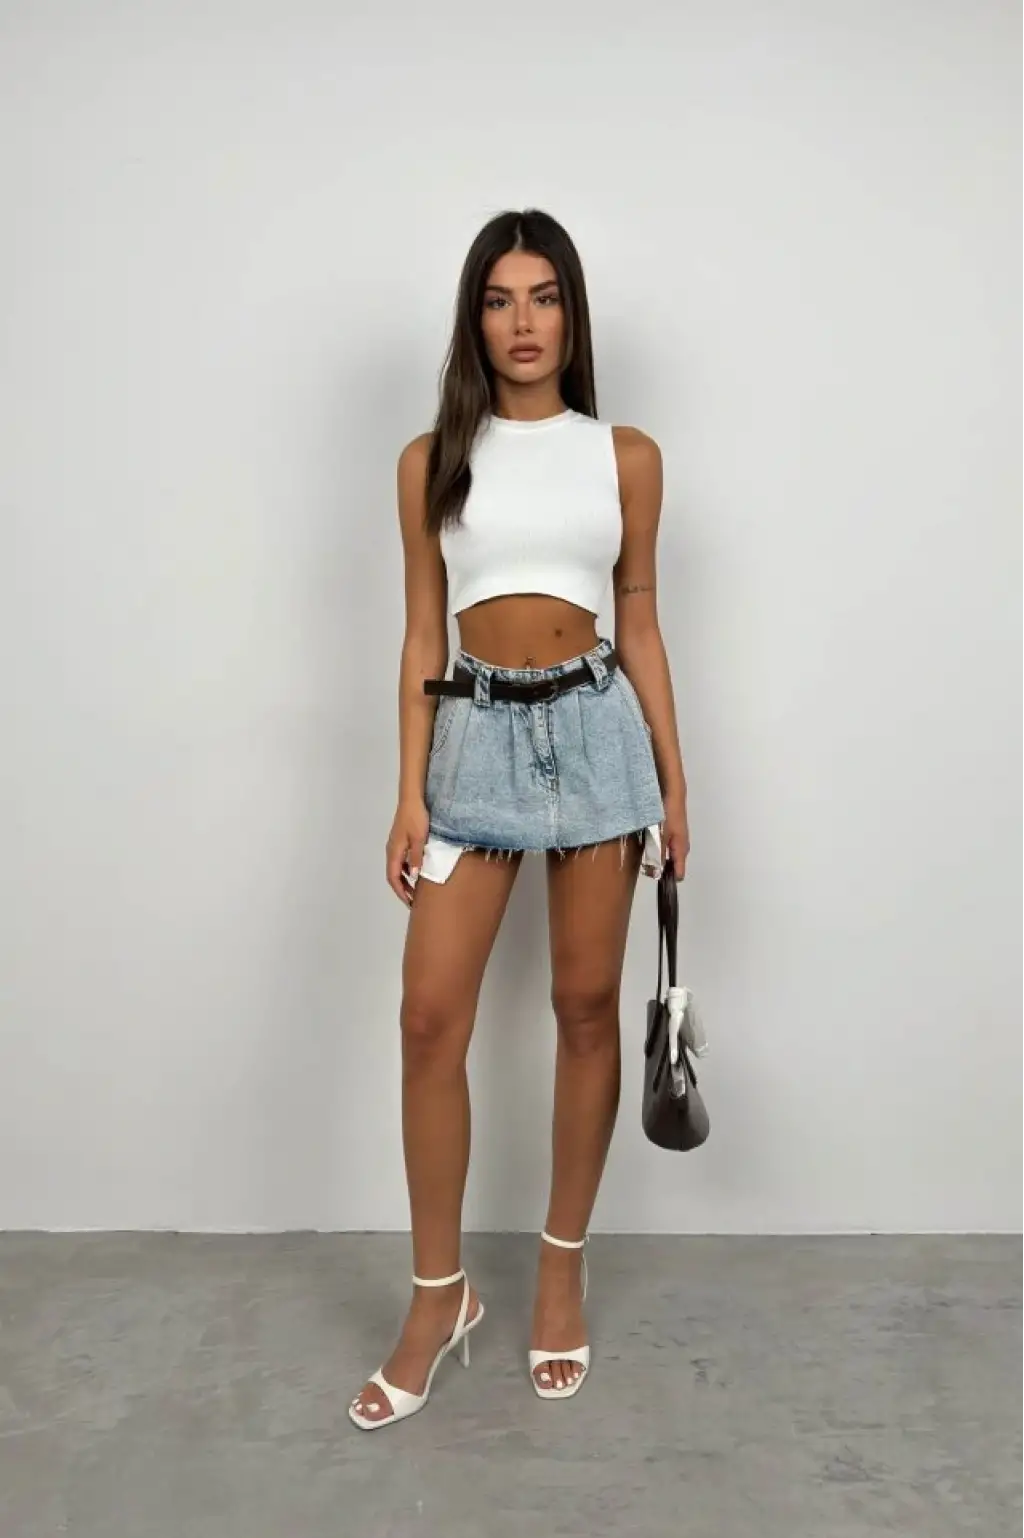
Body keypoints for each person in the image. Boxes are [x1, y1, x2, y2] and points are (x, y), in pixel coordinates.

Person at [349, 208, 690, 1430]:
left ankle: (558, 1267)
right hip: (476, 736)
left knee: (586, 1007)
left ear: (571, 314)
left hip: (595, 733)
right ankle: (438, 1295)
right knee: (427, 1015)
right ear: (474, 319)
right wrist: (408, 791)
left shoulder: (624, 456)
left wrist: (673, 783)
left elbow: (638, 618)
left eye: (543, 297)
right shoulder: (430, 460)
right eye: (499, 300)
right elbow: (420, 633)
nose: (523, 321)